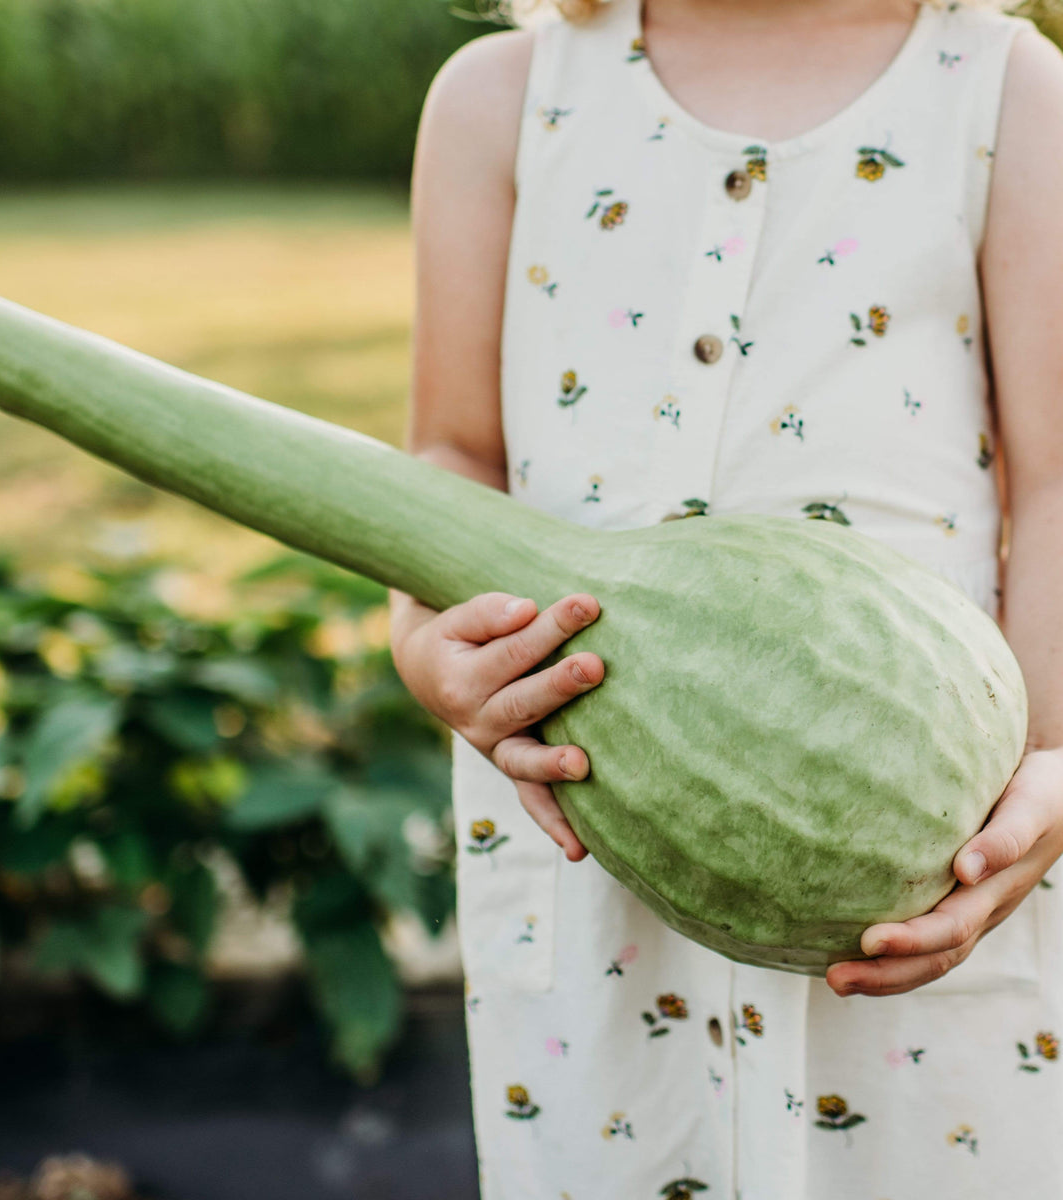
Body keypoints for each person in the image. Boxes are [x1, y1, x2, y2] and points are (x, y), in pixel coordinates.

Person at [388, 0, 1063, 1193]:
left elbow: (1060, 483)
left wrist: (1049, 766)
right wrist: (425, 650)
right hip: (602, 864)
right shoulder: (502, 99)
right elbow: (449, 458)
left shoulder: (1006, 93)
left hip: (929, 854)